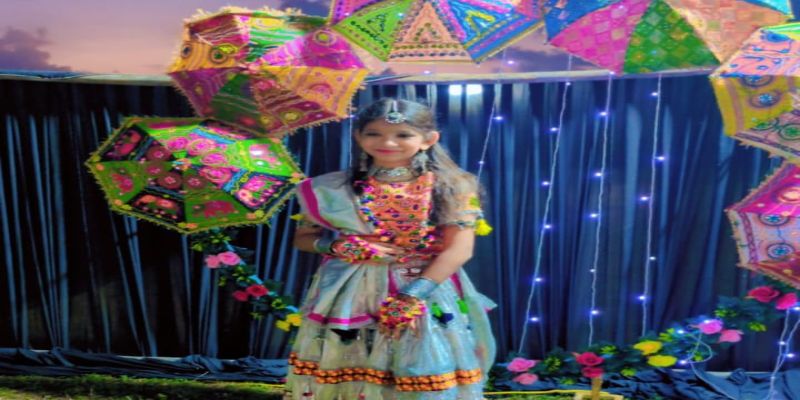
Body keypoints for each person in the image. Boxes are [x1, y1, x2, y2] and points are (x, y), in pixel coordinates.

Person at [285, 98, 496, 400]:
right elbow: (304, 238)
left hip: (424, 285)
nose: (387, 143)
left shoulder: (455, 185)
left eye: (403, 135)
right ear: (358, 136)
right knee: (349, 363)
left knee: (418, 364)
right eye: (374, 133)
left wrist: (410, 297)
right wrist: (338, 245)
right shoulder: (330, 188)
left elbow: (459, 250)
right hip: (351, 289)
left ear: (428, 139)